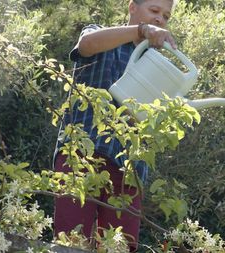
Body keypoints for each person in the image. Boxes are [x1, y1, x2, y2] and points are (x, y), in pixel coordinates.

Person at [53, 0, 178, 251]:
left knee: (120, 247)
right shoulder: (99, 34)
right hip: (80, 158)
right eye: (154, 11)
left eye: (166, 16)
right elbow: (86, 45)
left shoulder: (156, 65)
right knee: (71, 242)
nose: (160, 19)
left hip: (130, 170)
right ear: (132, 7)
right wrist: (141, 31)